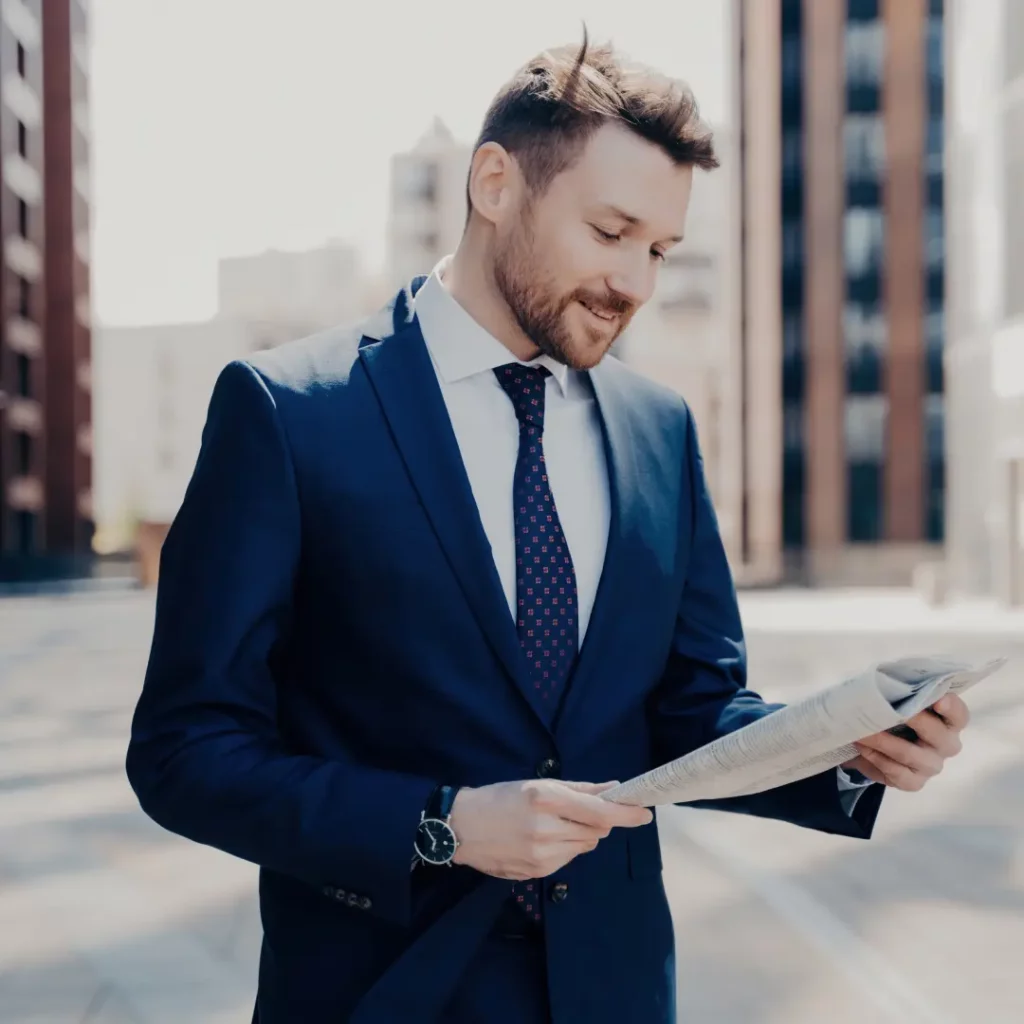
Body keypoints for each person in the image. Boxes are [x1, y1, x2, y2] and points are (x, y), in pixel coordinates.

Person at [126, 34, 971, 1024]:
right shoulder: (288, 412)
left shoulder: (659, 428)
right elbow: (185, 752)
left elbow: (692, 712)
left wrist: (844, 749)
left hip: (611, 991)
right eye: (610, 232)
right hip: (379, 994)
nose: (636, 284)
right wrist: (440, 825)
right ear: (495, 183)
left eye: (658, 249)